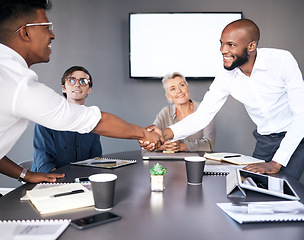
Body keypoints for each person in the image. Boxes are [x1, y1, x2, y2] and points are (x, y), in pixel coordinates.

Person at [0, 0, 162, 184]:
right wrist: (144, 133)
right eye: (47, 27)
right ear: (26, 32)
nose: (52, 35)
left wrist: (25, 174)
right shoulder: (19, 85)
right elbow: (96, 120)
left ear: (89, 88)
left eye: (83, 81)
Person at [143, 18, 304, 180]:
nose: (222, 50)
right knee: (253, 189)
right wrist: (165, 133)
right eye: (221, 43)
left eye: (231, 45)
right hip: (264, 141)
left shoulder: (281, 60)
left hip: (295, 137)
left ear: (251, 46)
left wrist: (277, 162)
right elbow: (202, 116)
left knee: (285, 191)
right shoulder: (226, 76)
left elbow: (301, 114)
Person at [32, 66, 102, 173]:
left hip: (80, 183)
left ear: (89, 89)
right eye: (72, 80)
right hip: (48, 182)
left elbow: (95, 162)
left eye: (83, 81)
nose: (77, 84)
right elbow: (45, 166)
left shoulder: (93, 122)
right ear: (64, 88)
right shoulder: (46, 119)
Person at [153, 72, 215, 152]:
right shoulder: (165, 113)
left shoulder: (203, 109)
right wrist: (164, 146)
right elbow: (152, 140)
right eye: (173, 89)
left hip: (198, 161)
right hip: (172, 162)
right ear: (168, 97)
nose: (179, 90)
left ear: (187, 88)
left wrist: (182, 146)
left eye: (182, 85)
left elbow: (209, 144)